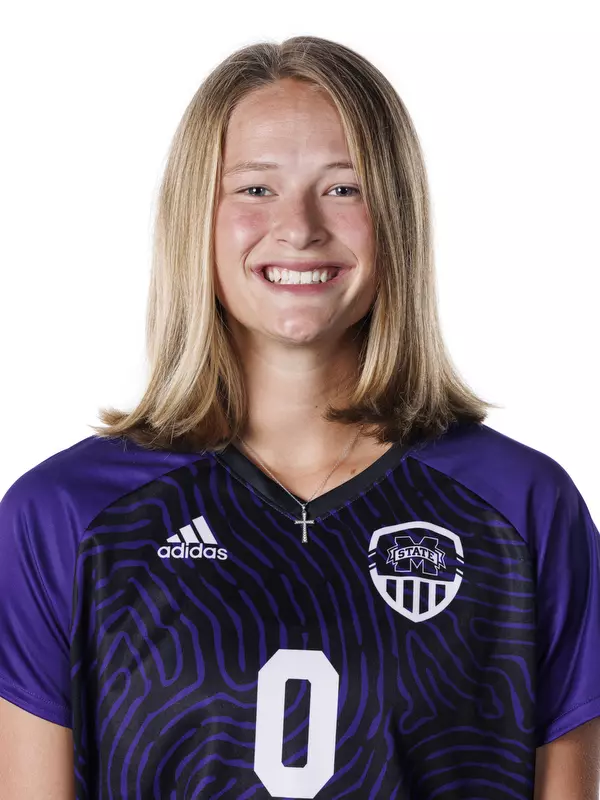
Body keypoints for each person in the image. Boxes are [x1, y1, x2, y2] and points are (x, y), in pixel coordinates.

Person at [0, 35, 598, 800]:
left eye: (344, 188)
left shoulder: (521, 508)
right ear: (198, 220)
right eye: (255, 189)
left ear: (397, 219)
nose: (301, 226)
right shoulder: (65, 515)